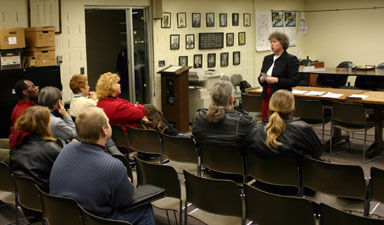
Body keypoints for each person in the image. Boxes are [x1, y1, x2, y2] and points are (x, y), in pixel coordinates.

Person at [49, 107, 155, 225]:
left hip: (61, 217)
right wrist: (126, 183)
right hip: (92, 220)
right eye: (108, 123)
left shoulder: (67, 149)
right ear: (104, 130)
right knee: (144, 208)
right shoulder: (113, 165)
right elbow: (125, 200)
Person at [245, 90, 324, 159]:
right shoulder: (303, 130)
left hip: (262, 176)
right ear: (292, 109)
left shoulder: (254, 131)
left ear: (269, 108)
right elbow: (318, 153)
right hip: (296, 175)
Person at [9, 106, 61, 191]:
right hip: (47, 197)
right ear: (43, 125)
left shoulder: (15, 144)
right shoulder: (53, 149)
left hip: (23, 196)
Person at [192, 80, 255, 149]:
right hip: (233, 159)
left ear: (212, 98)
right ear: (231, 99)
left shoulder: (198, 117)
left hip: (207, 159)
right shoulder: (244, 121)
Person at [258, 31, 300, 122]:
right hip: (267, 96)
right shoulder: (267, 58)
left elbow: (294, 81)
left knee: (279, 123)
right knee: (266, 122)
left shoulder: (290, 59)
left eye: (274, 42)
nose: (272, 44)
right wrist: (261, 79)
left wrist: (277, 80)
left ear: (282, 44)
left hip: (281, 98)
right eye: (271, 42)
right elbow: (261, 75)